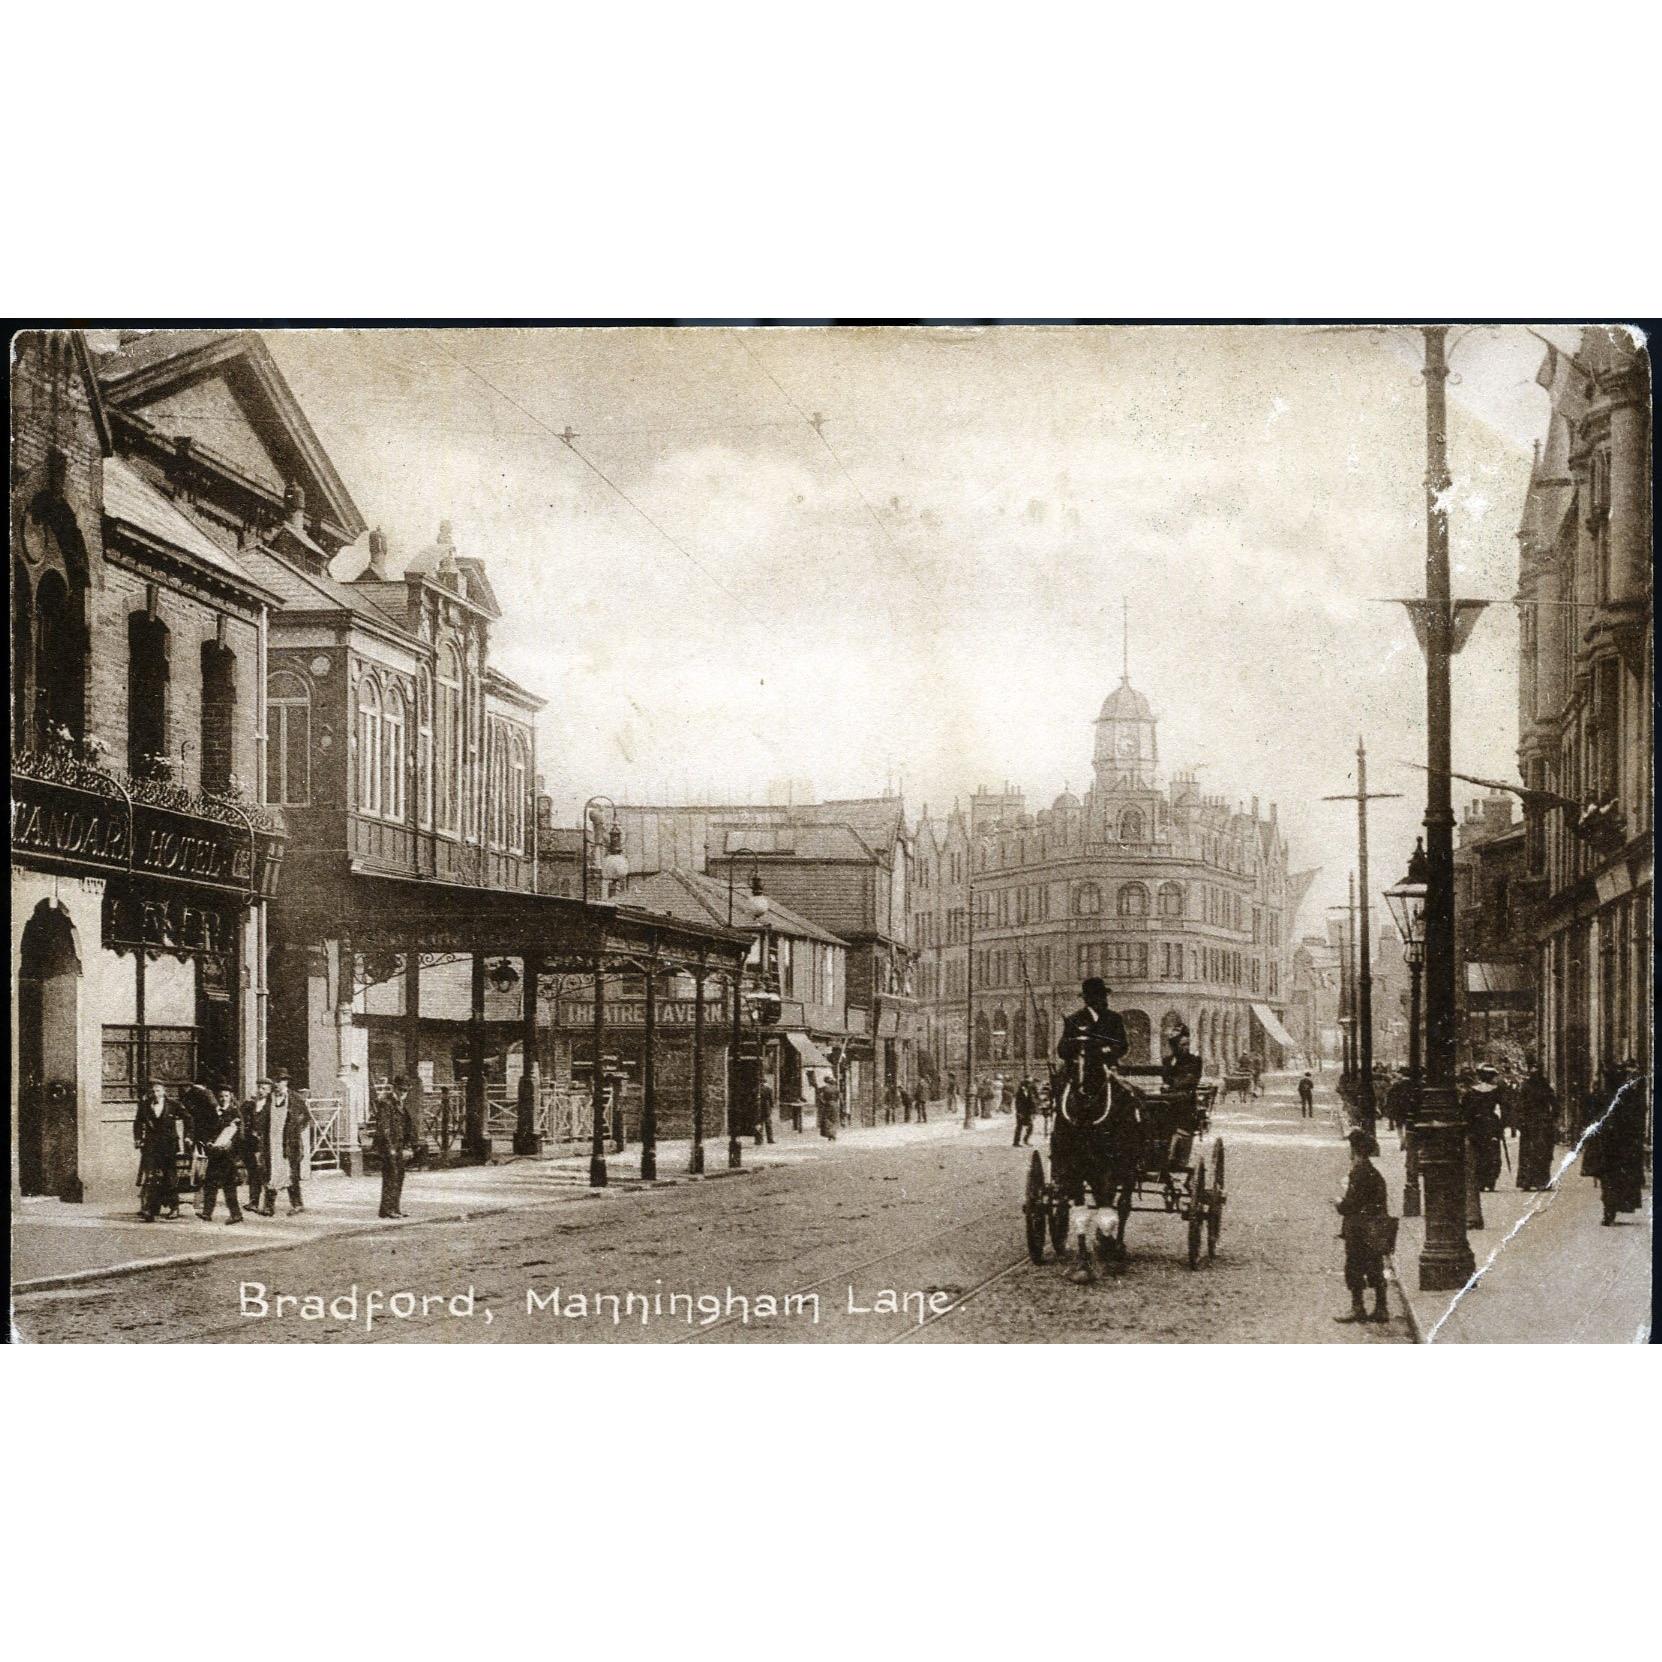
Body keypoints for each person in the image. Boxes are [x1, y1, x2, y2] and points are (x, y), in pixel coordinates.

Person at [1053, 977, 1134, 1283]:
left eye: (1100, 997)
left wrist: (1102, 1048)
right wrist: (1077, 1045)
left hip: (1106, 1072)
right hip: (1079, 1073)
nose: (1098, 1002)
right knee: (1062, 1096)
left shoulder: (1114, 1020)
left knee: (1125, 1097)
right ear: (1086, 999)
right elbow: (1062, 1050)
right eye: (1093, 997)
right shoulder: (1074, 1020)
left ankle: (1127, 1137)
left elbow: (1122, 1046)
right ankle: (1061, 1140)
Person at [1333, 1126, 1391, 1323]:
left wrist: (1339, 1203)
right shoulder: (1374, 1172)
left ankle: (1357, 1307)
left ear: (1354, 1150)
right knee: (1375, 1265)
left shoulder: (1359, 1172)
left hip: (1359, 1229)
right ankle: (1381, 1308)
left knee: (1354, 1266)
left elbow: (1350, 1205)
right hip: (1374, 1229)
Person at [1591, 1059, 1647, 1226]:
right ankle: (1613, 1209)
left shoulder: (1605, 1097)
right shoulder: (1629, 1096)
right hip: (1622, 1149)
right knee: (1618, 1180)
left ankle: (1609, 1211)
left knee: (1609, 1182)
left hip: (1611, 1149)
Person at [133, 1081, 184, 1221]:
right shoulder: (144, 1105)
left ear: (163, 1091)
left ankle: (174, 1207)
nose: (155, 1094)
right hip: (151, 1145)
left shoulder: (173, 1105)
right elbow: (138, 1122)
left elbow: (188, 1118)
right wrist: (138, 1138)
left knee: (169, 1176)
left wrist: (189, 1137)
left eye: (158, 1091)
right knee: (152, 1176)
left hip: (169, 1145)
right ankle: (151, 1209)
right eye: (153, 1091)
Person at [199, 1084, 245, 1224]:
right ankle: (207, 1213)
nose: (223, 1099)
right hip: (215, 1153)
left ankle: (235, 1214)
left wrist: (230, 1146)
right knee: (210, 1183)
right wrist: (208, 1143)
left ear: (230, 1097)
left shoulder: (235, 1113)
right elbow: (206, 1130)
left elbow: (240, 1135)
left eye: (226, 1096)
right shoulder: (213, 1112)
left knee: (228, 1185)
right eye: (220, 1096)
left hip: (227, 1155)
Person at [1514, 1057, 1558, 1191]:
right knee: (1539, 1151)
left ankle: (1531, 1180)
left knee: (1534, 1151)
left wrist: (1552, 1117)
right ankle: (1536, 1181)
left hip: (1535, 1123)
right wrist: (1552, 1117)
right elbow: (1555, 1104)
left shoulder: (1528, 1086)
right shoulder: (1541, 1086)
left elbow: (1555, 1104)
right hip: (1537, 1123)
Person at [273, 1070, 312, 1214]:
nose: (277, 1084)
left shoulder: (295, 1098)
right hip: (275, 1139)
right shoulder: (272, 1098)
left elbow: (306, 1117)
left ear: (286, 1082)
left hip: (291, 1141)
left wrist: (294, 1129)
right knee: (273, 1170)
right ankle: (268, 1205)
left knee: (292, 1173)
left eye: (280, 1081)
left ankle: (297, 1203)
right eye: (276, 1081)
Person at [1462, 1065, 1506, 1192]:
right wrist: (1501, 1125)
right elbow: (1503, 1109)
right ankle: (1490, 1180)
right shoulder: (1496, 1091)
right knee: (1492, 1153)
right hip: (1491, 1125)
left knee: (1478, 1153)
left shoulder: (1471, 1092)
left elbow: (1465, 1111)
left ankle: (1480, 1181)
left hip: (1476, 1126)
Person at [373, 1074, 412, 1219]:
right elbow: (384, 1128)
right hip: (389, 1146)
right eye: (401, 1090)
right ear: (394, 1088)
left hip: (399, 1145)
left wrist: (407, 1145)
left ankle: (395, 1208)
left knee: (398, 1176)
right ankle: (387, 1209)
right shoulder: (386, 1103)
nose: (403, 1093)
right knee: (391, 1176)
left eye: (406, 1090)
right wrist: (390, 1148)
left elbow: (407, 1126)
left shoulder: (400, 1104)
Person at [241, 1077, 272, 1213]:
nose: (260, 1091)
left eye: (264, 1088)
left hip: (266, 1144)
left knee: (267, 1174)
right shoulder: (250, 1104)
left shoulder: (272, 1106)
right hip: (251, 1144)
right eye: (259, 1087)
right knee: (253, 1172)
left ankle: (268, 1206)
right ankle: (253, 1202)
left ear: (269, 1091)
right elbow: (240, 1118)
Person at [1012, 1077, 1036, 1146]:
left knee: (1030, 1127)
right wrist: (1019, 1112)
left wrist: (1033, 1111)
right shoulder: (1020, 1092)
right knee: (1019, 1127)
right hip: (1021, 1112)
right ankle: (1016, 1142)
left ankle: (1026, 1140)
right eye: (1028, 1083)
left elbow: (1031, 1101)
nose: (1029, 1085)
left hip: (1028, 1112)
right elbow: (1018, 1103)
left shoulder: (1029, 1091)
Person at [815, 1071, 839, 1140]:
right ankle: (833, 1134)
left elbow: (819, 1095)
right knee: (834, 1119)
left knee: (827, 1119)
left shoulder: (824, 1088)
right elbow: (838, 1097)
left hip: (828, 1104)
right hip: (835, 1104)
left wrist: (823, 1102)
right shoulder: (836, 1088)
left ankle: (829, 1134)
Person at [755, 1079, 776, 1144]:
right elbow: (771, 1100)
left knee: (758, 1124)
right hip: (766, 1108)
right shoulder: (769, 1089)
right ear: (766, 1082)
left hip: (758, 1109)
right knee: (768, 1125)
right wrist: (772, 1107)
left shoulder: (756, 1089)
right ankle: (770, 1139)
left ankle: (759, 1140)